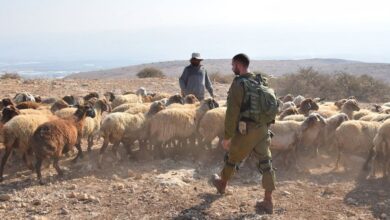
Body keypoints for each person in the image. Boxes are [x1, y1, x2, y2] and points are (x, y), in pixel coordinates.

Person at [211, 53, 276, 214]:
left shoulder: (239, 83)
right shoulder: (261, 80)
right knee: (266, 163)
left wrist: (227, 137)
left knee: (233, 158)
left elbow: (232, 112)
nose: (232, 68)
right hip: (263, 129)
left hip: (246, 130)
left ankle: (222, 184)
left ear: (239, 65)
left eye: (233, 65)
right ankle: (268, 201)